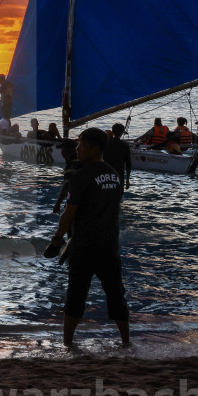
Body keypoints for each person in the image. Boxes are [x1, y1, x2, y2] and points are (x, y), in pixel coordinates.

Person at [43, 128, 130, 347]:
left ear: (94, 146)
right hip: (110, 245)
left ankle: (67, 344)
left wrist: (56, 240)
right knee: (115, 294)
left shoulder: (80, 176)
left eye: (81, 145)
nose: (77, 149)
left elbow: (69, 213)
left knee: (76, 295)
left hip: (84, 245)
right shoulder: (114, 175)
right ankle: (126, 342)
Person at [104, 123, 132, 189]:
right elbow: (128, 164)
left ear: (112, 132)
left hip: (105, 175)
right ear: (122, 133)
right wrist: (127, 180)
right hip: (118, 175)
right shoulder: (125, 146)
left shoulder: (106, 144)